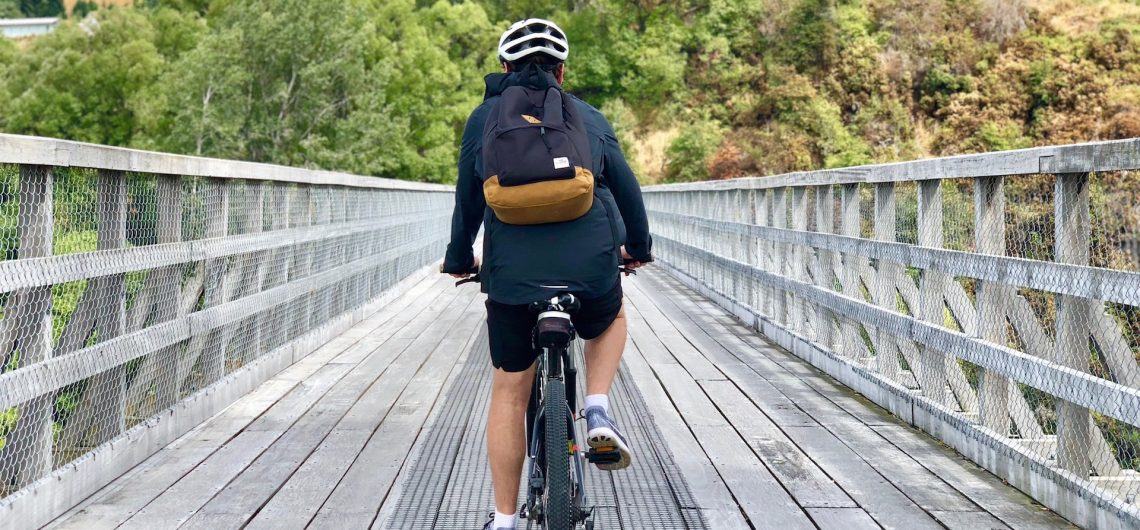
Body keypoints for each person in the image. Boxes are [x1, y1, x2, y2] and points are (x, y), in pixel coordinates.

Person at [440, 18, 653, 530]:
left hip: (513, 276)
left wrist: (458, 257)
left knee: (510, 391)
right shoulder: (589, 117)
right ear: (561, 70)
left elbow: (468, 202)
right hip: (589, 266)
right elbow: (627, 190)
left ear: (504, 67)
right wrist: (637, 248)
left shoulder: (484, 119)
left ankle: (504, 519)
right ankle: (598, 408)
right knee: (609, 315)